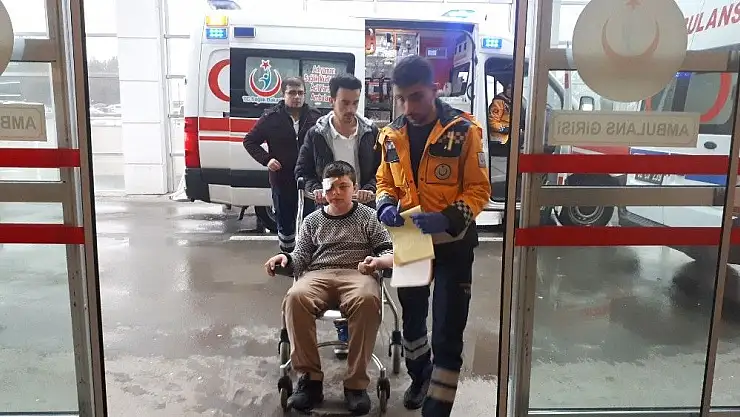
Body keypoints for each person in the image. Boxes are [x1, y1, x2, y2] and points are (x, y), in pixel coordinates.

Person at [374, 55, 491, 416]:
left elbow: (479, 189)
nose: (409, 107)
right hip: (411, 241)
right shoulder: (391, 135)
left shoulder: (464, 132)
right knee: (412, 324)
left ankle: (437, 409)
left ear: (435, 90)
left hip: (453, 245)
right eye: (402, 98)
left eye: (417, 97)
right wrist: (385, 203)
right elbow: (384, 180)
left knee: (447, 331)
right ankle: (420, 376)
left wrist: (447, 218)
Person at [265, 161, 393, 415]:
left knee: (367, 300)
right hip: (318, 274)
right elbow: (300, 257)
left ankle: (356, 385)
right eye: (331, 187)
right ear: (323, 190)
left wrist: (378, 262)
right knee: (295, 297)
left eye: (343, 186)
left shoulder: (369, 217)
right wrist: (285, 259)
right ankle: (310, 381)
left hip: (357, 272)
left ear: (354, 188)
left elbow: (387, 250)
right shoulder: (312, 221)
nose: (336, 192)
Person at [243, 77, 321, 252]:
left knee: (310, 221)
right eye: (292, 93)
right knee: (285, 222)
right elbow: (249, 141)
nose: (297, 97)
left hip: (309, 180)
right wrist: (267, 159)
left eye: (300, 93)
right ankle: (287, 256)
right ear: (283, 94)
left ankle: (307, 257)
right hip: (282, 179)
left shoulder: (315, 117)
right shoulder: (271, 118)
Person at [295, 74, 380, 207]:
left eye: (355, 103)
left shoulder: (371, 132)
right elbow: (303, 171)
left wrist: (370, 188)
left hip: (363, 209)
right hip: (328, 209)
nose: (350, 109)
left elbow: (382, 169)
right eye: (345, 103)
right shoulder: (316, 134)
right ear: (332, 100)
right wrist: (316, 189)